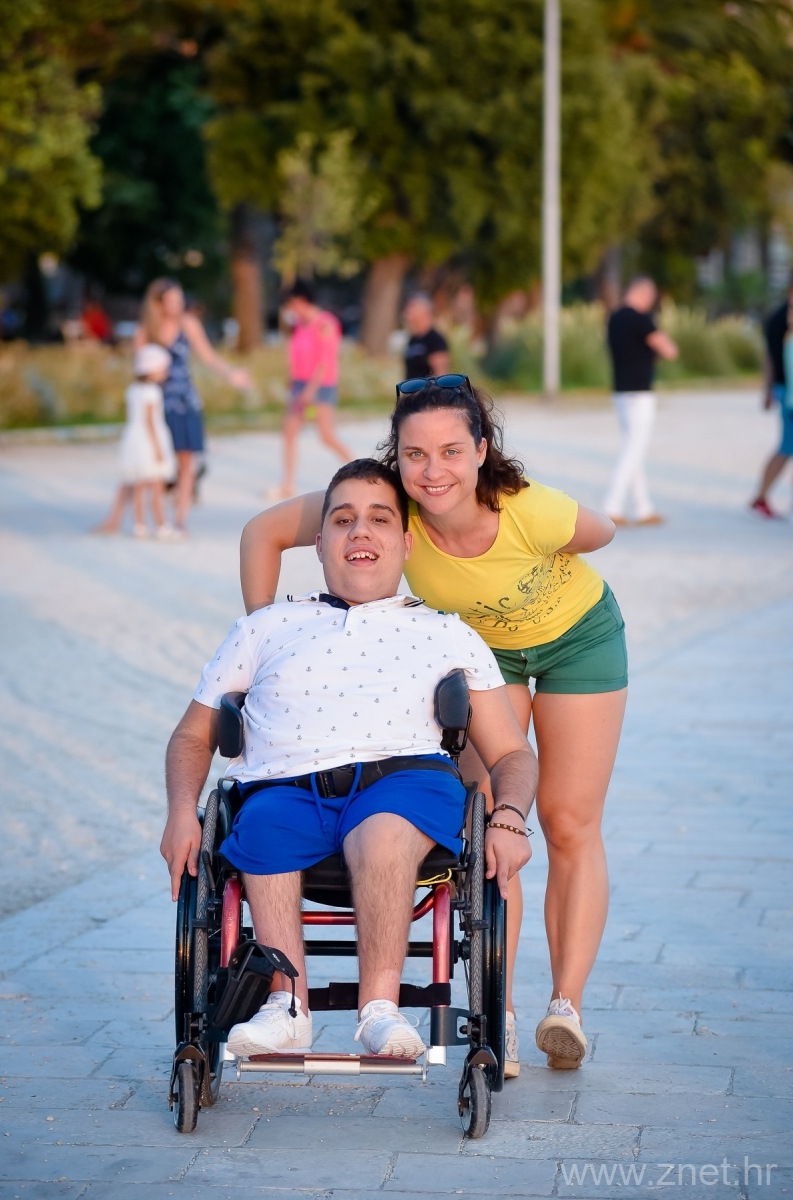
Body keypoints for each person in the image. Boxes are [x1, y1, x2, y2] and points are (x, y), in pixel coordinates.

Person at [239, 375, 628, 1076]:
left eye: (451, 451)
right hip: (483, 656)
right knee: (490, 817)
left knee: (570, 820)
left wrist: (533, 574)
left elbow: (603, 531)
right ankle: (500, 1014)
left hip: (577, 638)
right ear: (398, 455)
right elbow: (262, 532)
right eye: (415, 454)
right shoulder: (394, 507)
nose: (432, 470)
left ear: (481, 450)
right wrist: (272, 633)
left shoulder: (528, 509)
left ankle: (564, 1005)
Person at [161, 459, 537, 1059]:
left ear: (406, 544)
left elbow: (513, 751)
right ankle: (286, 1006)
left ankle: (380, 1008)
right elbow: (190, 736)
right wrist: (182, 811)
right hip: (284, 787)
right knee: (262, 823)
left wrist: (510, 818)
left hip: (404, 784)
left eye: (379, 519)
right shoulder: (265, 627)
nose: (360, 531)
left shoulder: (447, 632)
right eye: (343, 519)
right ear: (319, 544)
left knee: (381, 832)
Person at [135, 278, 252, 534]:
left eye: (179, 299)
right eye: (172, 300)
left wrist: (231, 374)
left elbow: (208, 356)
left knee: (187, 462)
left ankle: (180, 519)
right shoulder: (146, 330)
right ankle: (155, 518)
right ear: (158, 304)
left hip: (185, 400)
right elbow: (139, 370)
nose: (178, 304)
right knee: (156, 462)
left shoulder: (188, 324)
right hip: (157, 403)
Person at [604, 277, 679, 526]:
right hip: (640, 392)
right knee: (633, 450)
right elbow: (670, 350)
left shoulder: (614, 318)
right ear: (645, 294)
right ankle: (612, 505)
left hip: (620, 391)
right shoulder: (641, 319)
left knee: (632, 448)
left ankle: (643, 507)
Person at [272, 279, 352, 499]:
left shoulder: (326, 323)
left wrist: (310, 391)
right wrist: (292, 379)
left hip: (321, 386)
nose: (290, 309)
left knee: (326, 436)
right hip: (299, 384)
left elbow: (325, 361)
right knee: (289, 432)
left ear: (300, 301)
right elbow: (297, 353)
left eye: (291, 304)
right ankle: (288, 484)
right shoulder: (299, 325)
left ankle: (359, 470)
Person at [92, 344, 177, 538]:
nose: (166, 373)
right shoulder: (152, 391)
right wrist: (158, 448)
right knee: (156, 486)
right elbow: (150, 421)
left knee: (139, 486)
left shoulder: (133, 390)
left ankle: (140, 525)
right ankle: (161, 525)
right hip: (150, 441)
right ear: (152, 370)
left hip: (135, 441)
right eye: (163, 369)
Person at [749, 281, 793, 518]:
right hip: (788, 393)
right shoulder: (783, 323)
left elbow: (768, 358)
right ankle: (761, 496)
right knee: (786, 448)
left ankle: (761, 496)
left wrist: (767, 389)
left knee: (786, 448)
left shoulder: (775, 317)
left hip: (782, 389)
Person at [402, 293, 450, 380]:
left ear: (424, 311)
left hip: (427, 388)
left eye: (412, 307)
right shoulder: (412, 340)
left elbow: (440, 375)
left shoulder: (435, 340)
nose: (407, 311)